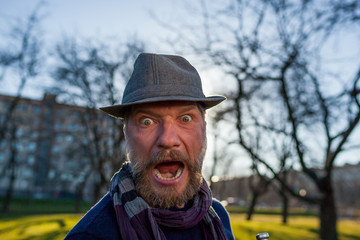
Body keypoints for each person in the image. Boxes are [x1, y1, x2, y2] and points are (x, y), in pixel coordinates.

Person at [64, 53, 234, 240]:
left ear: (204, 130)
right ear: (126, 135)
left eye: (185, 118)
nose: (168, 139)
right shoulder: (91, 235)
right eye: (147, 121)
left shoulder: (217, 216)